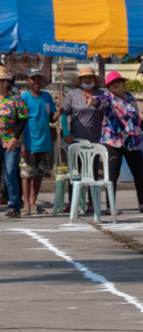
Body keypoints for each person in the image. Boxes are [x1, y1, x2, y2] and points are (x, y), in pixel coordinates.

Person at [99, 71, 143, 213]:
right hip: (113, 141)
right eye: (112, 83)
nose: (116, 85)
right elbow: (99, 102)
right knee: (112, 174)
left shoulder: (130, 97)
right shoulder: (107, 97)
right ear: (108, 87)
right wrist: (92, 101)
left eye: (118, 82)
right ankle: (111, 206)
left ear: (123, 83)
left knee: (140, 173)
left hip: (132, 141)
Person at [61, 65, 105, 213]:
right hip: (76, 140)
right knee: (75, 172)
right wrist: (66, 132)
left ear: (94, 79)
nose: (87, 80)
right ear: (80, 80)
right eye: (84, 77)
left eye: (90, 77)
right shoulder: (72, 94)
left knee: (93, 172)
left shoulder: (101, 94)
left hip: (95, 141)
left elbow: (107, 110)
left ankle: (92, 203)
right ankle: (72, 201)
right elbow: (63, 113)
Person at [20, 69, 60, 215]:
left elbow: (52, 118)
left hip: (45, 143)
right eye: (34, 79)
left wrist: (58, 113)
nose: (37, 81)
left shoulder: (47, 96)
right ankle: (26, 205)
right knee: (27, 175)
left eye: (39, 79)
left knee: (39, 174)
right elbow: (20, 122)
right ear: (28, 81)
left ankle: (33, 202)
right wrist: (22, 143)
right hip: (29, 143)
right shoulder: (24, 98)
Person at [0, 64, 27, 218]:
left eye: (2, 80)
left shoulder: (17, 99)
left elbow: (23, 120)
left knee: (10, 172)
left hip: (11, 140)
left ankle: (14, 205)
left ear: (6, 82)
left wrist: (15, 138)